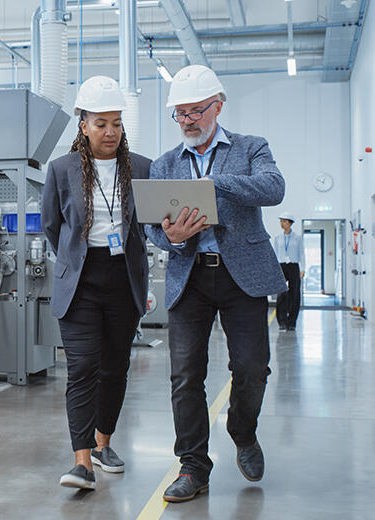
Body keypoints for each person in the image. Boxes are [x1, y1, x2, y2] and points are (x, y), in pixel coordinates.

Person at [144, 65, 287, 503]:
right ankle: (194, 465)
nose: (187, 120)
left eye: (195, 111)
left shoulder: (250, 147)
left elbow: (273, 187)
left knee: (251, 369)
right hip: (189, 277)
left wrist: (214, 183)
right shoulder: (166, 163)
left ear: (217, 106)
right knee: (185, 377)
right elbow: (150, 227)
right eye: (180, 113)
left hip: (241, 276)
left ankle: (242, 431)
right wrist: (168, 236)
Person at [42, 76, 151, 491]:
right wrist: (75, 259)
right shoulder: (60, 170)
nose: (110, 132)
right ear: (83, 124)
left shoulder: (141, 167)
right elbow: (53, 227)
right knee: (83, 367)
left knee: (115, 368)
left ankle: (105, 444)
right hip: (82, 281)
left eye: (117, 123)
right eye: (101, 123)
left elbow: (147, 225)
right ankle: (82, 461)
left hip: (124, 279)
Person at [272, 212, 304, 331]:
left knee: (294, 294)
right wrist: (274, 269)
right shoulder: (277, 238)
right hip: (281, 266)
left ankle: (292, 322)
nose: (282, 223)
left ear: (290, 223)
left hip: (294, 266)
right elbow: (275, 254)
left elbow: (301, 253)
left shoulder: (297, 238)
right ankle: (282, 322)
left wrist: (303, 268)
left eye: (284, 221)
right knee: (281, 294)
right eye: (281, 221)